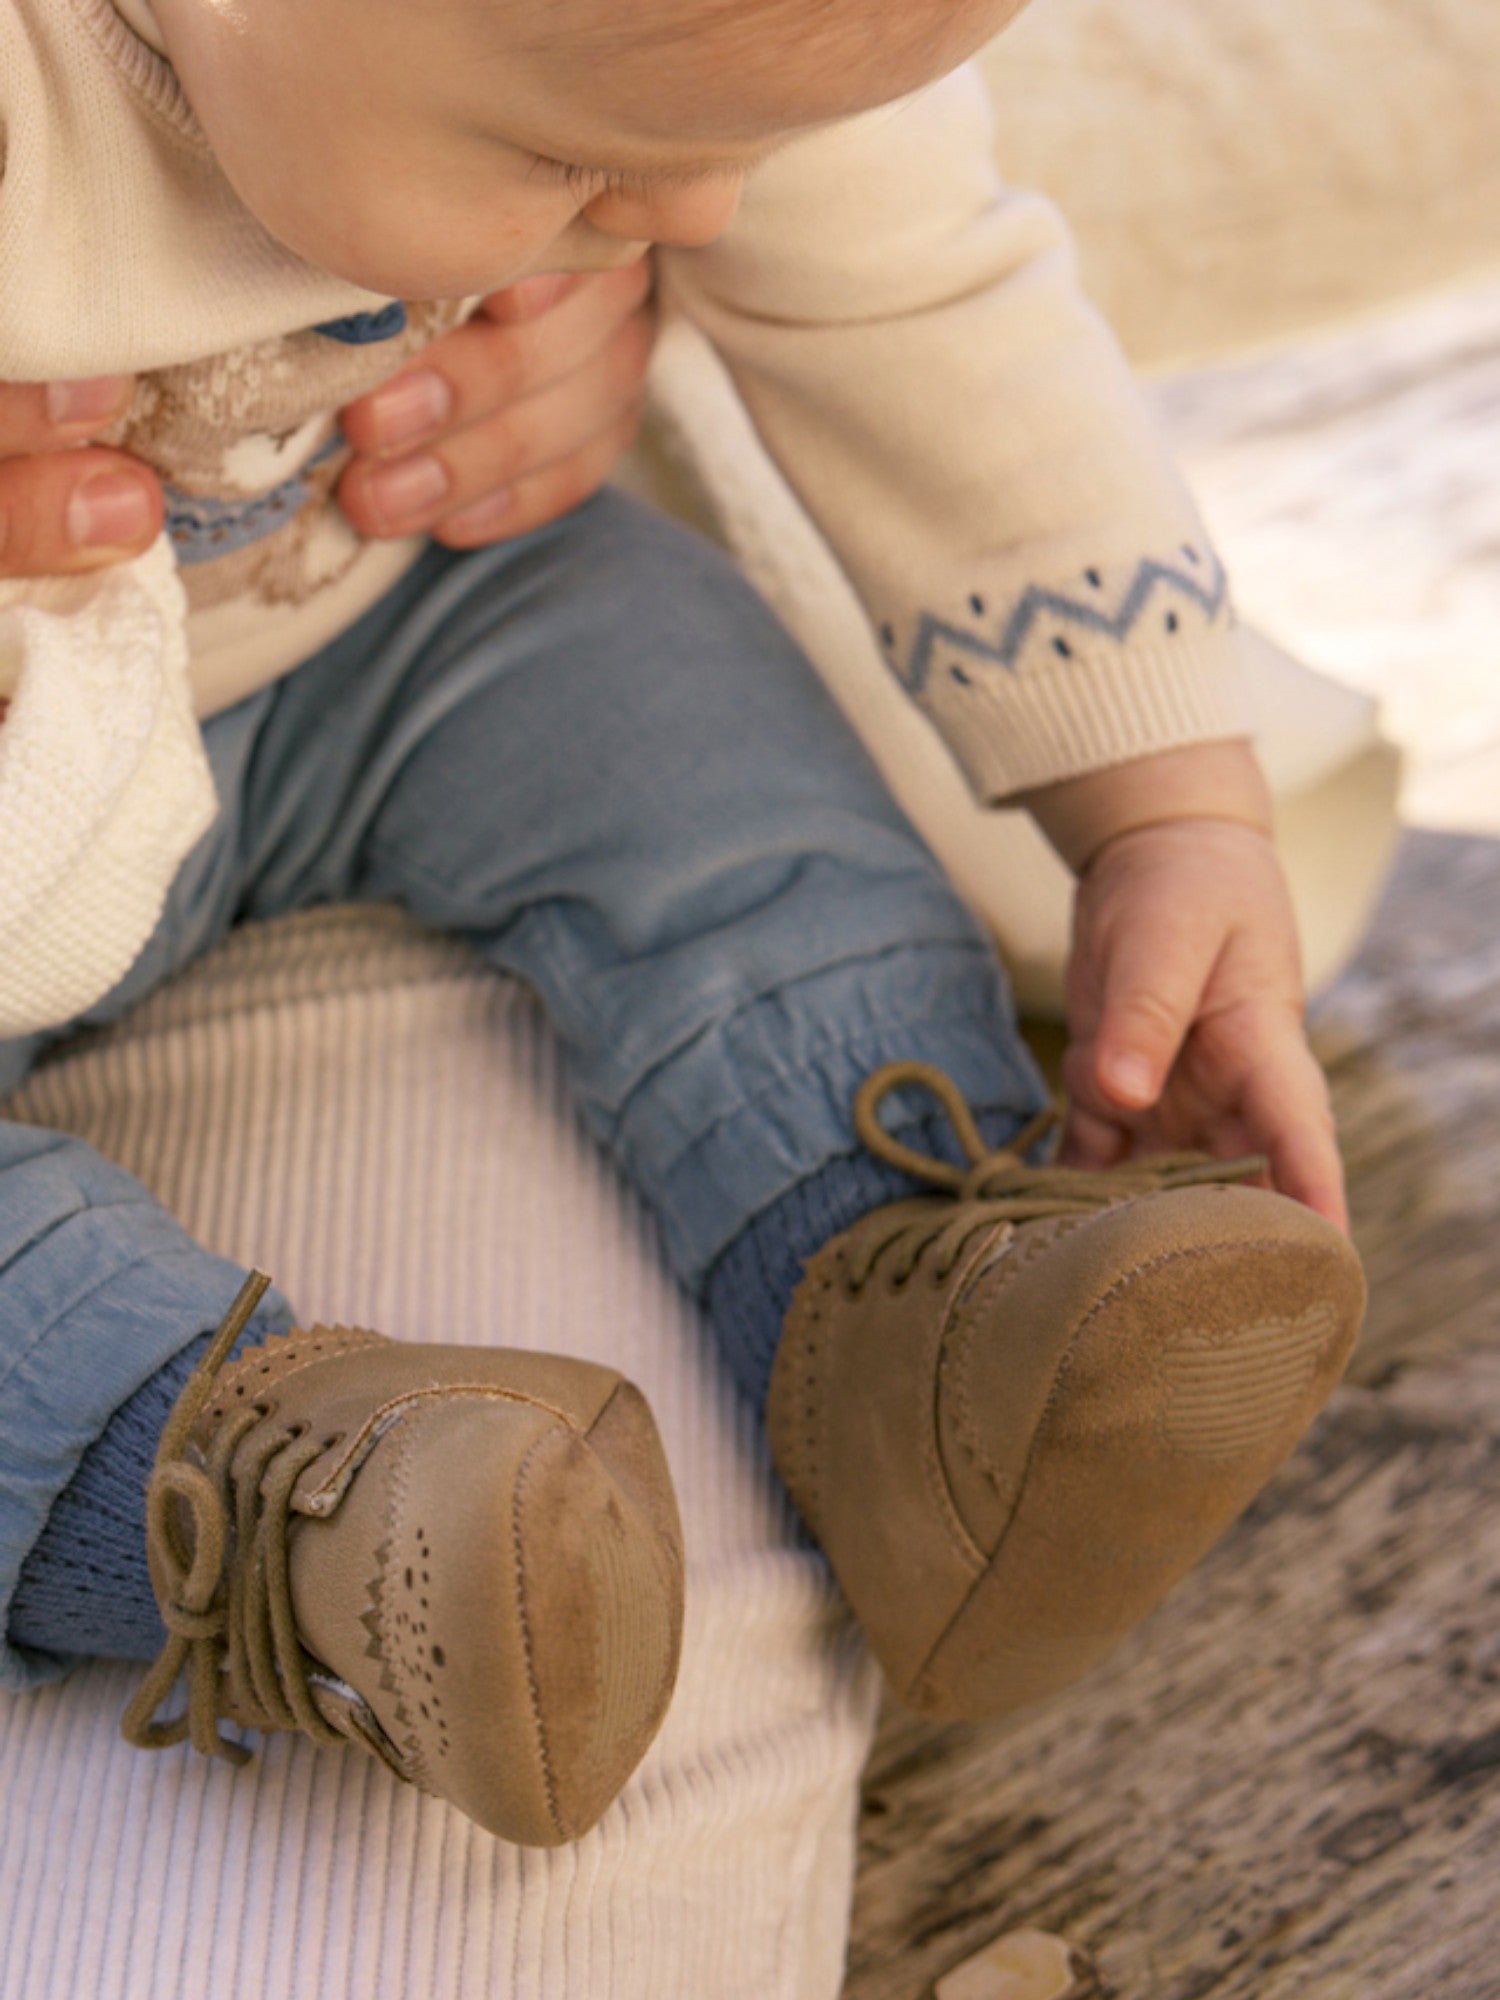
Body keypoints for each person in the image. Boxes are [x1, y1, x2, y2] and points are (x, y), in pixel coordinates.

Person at [0, 0, 1365, 1846]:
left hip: (368, 630)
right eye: (571, 160)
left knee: (667, 690)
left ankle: (907, 1304)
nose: (703, 219)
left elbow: (922, 303)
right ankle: (274, 1508)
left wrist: (1167, 803)